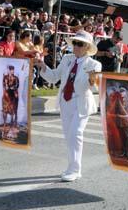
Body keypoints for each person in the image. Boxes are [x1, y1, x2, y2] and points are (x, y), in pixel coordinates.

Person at [36, 31, 102, 182]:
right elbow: (53, 77)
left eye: (80, 44)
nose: (76, 46)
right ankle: (72, 166)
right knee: (69, 136)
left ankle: (74, 169)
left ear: (87, 47)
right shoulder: (66, 59)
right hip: (65, 102)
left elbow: (94, 88)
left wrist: (93, 81)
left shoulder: (94, 64)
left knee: (76, 134)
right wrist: (42, 65)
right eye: (75, 43)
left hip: (81, 103)